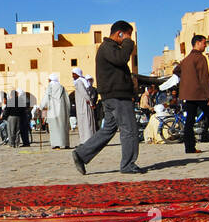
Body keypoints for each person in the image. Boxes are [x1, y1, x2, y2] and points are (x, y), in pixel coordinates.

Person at [73, 19, 143, 175]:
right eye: (127, 35)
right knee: (129, 129)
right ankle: (128, 164)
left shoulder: (111, 49)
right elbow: (121, 59)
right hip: (117, 96)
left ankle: (81, 154)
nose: (129, 39)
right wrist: (128, 43)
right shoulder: (108, 48)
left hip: (113, 95)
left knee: (108, 129)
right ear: (120, 33)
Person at [176, 35, 209, 154]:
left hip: (188, 95)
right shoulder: (200, 58)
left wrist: (187, 80)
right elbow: (204, 78)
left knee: (189, 121)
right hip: (200, 94)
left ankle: (189, 147)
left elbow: (176, 70)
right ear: (197, 43)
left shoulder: (186, 59)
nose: (205, 46)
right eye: (204, 43)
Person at [40, 73, 70, 149]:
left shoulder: (50, 87)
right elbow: (67, 100)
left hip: (52, 111)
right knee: (63, 127)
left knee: (54, 128)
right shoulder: (62, 88)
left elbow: (46, 98)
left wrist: (42, 106)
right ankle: (65, 143)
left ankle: (56, 144)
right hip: (62, 111)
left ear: (50, 80)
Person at [71, 69, 96, 145]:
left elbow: (85, 94)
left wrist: (90, 102)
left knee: (85, 122)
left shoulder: (79, 82)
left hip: (83, 105)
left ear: (78, 74)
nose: (73, 76)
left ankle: (86, 140)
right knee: (85, 122)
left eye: (74, 74)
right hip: (83, 105)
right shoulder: (81, 81)